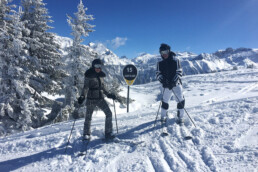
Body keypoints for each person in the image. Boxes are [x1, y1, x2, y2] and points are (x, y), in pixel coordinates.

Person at [78, 59, 117, 140]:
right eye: (96, 66)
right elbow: (85, 87)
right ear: (93, 66)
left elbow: (102, 86)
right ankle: (86, 134)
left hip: (100, 98)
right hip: (91, 99)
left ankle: (108, 132)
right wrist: (82, 96)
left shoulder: (101, 75)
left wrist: (108, 94)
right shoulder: (89, 75)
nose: (98, 68)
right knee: (88, 117)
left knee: (109, 113)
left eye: (100, 66)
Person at [156, 43, 185, 125]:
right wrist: (163, 81)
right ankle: (163, 116)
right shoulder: (160, 63)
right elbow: (158, 74)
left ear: (169, 51)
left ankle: (180, 116)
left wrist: (173, 82)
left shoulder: (176, 60)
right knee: (165, 100)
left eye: (165, 51)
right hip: (165, 85)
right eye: (162, 52)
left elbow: (179, 72)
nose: (164, 54)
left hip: (176, 84)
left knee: (180, 100)